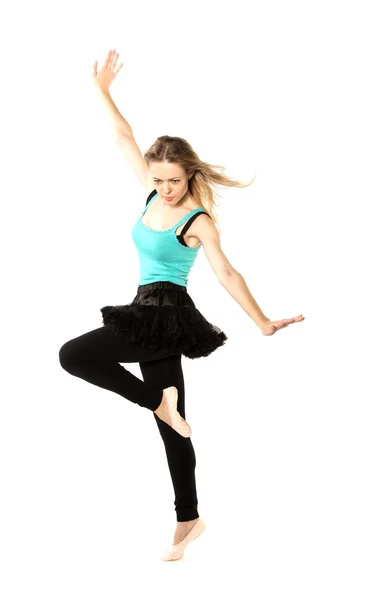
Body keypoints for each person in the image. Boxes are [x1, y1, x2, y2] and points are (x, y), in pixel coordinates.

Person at [59, 49, 305, 562]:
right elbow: (126, 138)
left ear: (189, 175)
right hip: (144, 309)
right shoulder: (151, 194)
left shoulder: (195, 220)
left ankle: (156, 404)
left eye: (175, 180)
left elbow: (227, 273)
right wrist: (103, 92)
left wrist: (262, 322)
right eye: (160, 179)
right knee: (174, 425)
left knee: (74, 354)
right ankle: (189, 519)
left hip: (164, 313)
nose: (166, 188)